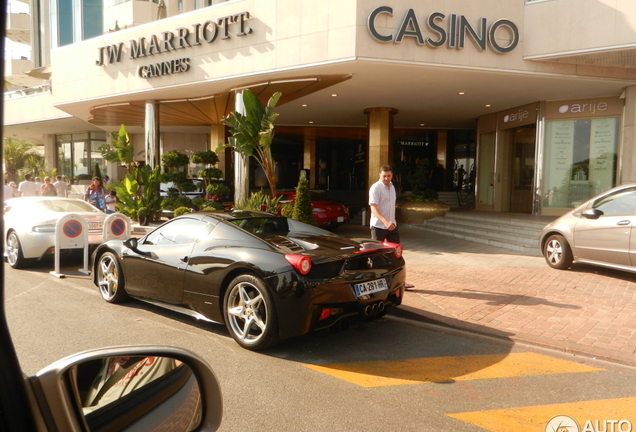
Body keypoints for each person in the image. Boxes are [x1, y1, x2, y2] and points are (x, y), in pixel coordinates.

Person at [369, 165, 399, 243]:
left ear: (392, 175)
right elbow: (373, 208)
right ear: (379, 175)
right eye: (384, 176)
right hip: (378, 226)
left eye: (389, 176)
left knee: (395, 251)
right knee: (376, 252)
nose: (386, 178)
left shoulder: (392, 187)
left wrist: (391, 222)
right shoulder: (375, 188)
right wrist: (385, 222)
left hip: (392, 225)